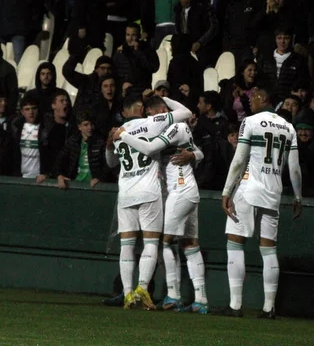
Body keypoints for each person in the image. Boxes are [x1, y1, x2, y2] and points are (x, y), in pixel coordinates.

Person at [219, 83, 302, 318]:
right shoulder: (288, 127)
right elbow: (294, 168)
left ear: (262, 97)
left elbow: (238, 159)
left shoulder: (251, 122)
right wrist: (297, 196)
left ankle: (235, 305)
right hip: (274, 191)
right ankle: (268, 308)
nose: (250, 100)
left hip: (248, 188)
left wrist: (227, 191)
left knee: (235, 243)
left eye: (253, 96)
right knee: (268, 249)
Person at [105, 94, 192, 310]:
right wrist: (163, 97)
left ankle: (127, 294)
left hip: (125, 191)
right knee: (151, 243)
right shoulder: (152, 122)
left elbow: (110, 162)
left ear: (125, 112)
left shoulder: (118, 131)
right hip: (149, 191)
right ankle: (142, 290)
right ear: (144, 109)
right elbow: (186, 113)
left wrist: (109, 144)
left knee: (127, 245)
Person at [116, 118, 208, 314]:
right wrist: (193, 154)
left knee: (165, 243)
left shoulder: (174, 129)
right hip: (190, 191)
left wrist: (122, 134)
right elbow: (199, 152)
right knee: (190, 244)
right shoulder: (175, 131)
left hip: (179, 191)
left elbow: (150, 149)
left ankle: (173, 295)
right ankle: (201, 299)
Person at [55, 111, 108, 189]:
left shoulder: (101, 142)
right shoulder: (73, 142)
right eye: (86, 125)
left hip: (94, 185)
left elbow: (108, 164)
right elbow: (59, 161)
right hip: (76, 183)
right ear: (79, 127)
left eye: (91, 124)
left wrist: (99, 178)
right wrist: (59, 175)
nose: (90, 127)